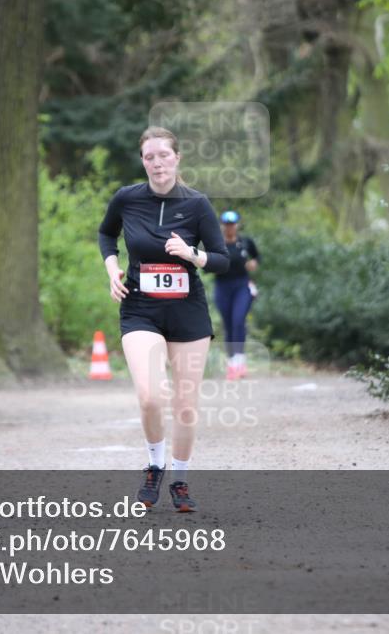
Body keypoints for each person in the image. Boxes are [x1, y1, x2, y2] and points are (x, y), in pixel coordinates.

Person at [98, 126, 229, 512]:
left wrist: (192, 255)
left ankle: (181, 478)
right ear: (143, 161)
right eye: (149, 156)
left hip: (187, 311)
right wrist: (111, 270)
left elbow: (222, 259)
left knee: (185, 405)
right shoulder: (127, 198)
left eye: (163, 155)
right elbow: (107, 235)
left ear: (177, 158)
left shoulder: (197, 204)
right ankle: (155, 465)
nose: (157, 162)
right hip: (140, 307)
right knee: (150, 396)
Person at [212, 210, 260, 380]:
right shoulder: (216, 243)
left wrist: (253, 263)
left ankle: (240, 360)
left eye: (232, 224)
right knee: (228, 323)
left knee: (238, 319)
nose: (230, 228)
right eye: (226, 224)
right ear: (222, 225)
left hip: (241, 286)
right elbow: (208, 262)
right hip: (222, 286)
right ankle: (232, 362)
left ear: (237, 225)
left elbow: (256, 257)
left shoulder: (246, 243)